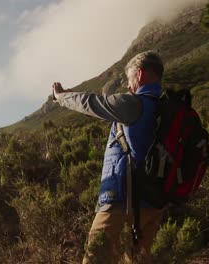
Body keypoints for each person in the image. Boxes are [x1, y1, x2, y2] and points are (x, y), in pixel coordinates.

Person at [52, 51, 165, 264]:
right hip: (155, 198)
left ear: (139, 75)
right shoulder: (164, 106)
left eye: (130, 79)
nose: (129, 85)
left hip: (122, 195)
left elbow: (91, 102)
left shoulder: (134, 104)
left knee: (96, 256)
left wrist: (62, 97)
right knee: (139, 258)